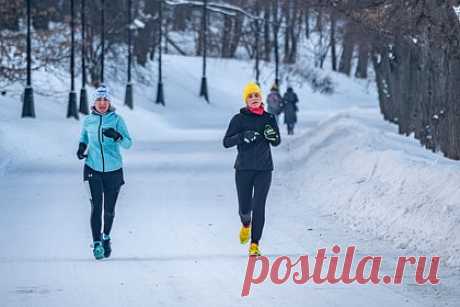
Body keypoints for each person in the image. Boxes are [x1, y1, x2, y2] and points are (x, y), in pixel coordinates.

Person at [223, 82, 281, 256]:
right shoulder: (238, 119)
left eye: (256, 95)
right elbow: (226, 142)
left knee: (259, 205)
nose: (254, 99)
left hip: (264, 169)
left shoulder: (269, 118)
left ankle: (255, 244)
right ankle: (246, 225)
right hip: (243, 169)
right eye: (250, 96)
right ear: (246, 100)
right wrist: (242, 136)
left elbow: (276, 141)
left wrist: (273, 137)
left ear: (261, 98)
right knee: (245, 208)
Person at [76, 86, 132, 260]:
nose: (102, 104)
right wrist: (81, 148)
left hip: (114, 170)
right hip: (92, 168)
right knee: (96, 207)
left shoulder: (117, 120)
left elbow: (128, 144)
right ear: (94, 103)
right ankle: (97, 243)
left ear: (109, 102)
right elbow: (84, 137)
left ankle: (106, 236)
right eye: (99, 101)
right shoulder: (88, 121)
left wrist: (116, 136)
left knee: (109, 210)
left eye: (105, 101)